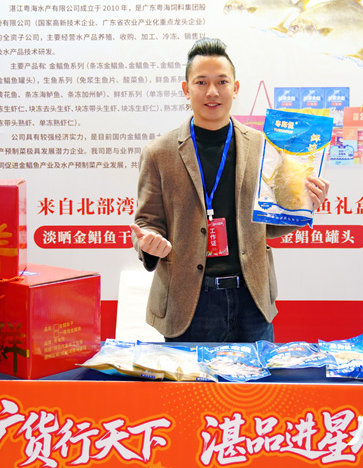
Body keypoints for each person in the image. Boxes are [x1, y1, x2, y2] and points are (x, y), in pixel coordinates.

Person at [130, 38, 329, 343]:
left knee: (256, 376)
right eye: (201, 82)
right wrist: (149, 242)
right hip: (188, 303)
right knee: (190, 377)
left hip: (251, 299)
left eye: (222, 82)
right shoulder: (159, 153)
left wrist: (303, 204)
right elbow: (147, 221)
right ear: (186, 89)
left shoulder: (264, 147)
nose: (212, 91)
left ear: (235, 88)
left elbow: (268, 224)